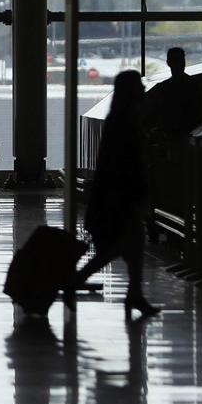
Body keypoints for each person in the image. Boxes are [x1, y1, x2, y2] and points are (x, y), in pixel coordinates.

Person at [72, 70, 159, 318]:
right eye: (139, 85)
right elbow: (130, 164)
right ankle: (80, 281)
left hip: (117, 195)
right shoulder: (127, 121)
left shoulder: (119, 118)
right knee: (122, 247)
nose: (143, 89)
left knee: (129, 248)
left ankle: (134, 295)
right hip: (122, 196)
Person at [145, 46, 202, 141]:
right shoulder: (193, 84)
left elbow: (156, 110)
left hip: (171, 134)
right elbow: (200, 111)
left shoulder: (165, 87)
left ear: (168, 63)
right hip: (190, 134)